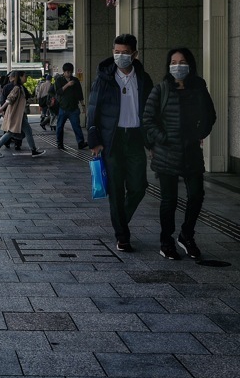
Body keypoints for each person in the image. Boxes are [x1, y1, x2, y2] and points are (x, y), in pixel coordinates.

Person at [142, 47, 216, 260]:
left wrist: (200, 133)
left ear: (190, 65)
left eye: (182, 62)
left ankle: (186, 234)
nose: (177, 66)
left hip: (191, 152)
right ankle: (166, 241)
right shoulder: (161, 89)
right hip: (167, 154)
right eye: (173, 62)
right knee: (169, 200)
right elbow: (148, 119)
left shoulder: (199, 88)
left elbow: (210, 115)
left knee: (196, 195)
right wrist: (163, 138)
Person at [86, 33, 154, 253]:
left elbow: (152, 111)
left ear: (134, 54)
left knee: (139, 187)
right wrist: (94, 139)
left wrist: (153, 140)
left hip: (135, 138)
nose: (120, 56)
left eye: (125, 53)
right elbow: (93, 109)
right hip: (111, 140)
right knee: (116, 190)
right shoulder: (105, 79)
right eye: (117, 52)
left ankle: (120, 220)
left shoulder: (143, 78)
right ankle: (122, 236)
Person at [0, 72, 44, 157]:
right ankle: (33, 150)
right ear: (20, 77)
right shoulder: (17, 88)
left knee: (15, 132)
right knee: (22, 131)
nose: (26, 78)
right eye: (25, 76)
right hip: (16, 115)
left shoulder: (20, 87)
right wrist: (1, 108)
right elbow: (9, 99)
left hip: (18, 114)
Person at [53, 63, 86, 150]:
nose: (69, 74)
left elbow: (80, 94)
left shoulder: (75, 80)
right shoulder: (59, 80)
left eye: (71, 72)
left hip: (74, 108)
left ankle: (80, 143)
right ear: (64, 72)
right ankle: (59, 143)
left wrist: (83, 105)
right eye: (67, 72)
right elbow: (58, 92)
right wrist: (67, 85)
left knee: (76, 126)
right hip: (63, 107)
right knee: (60, 126)